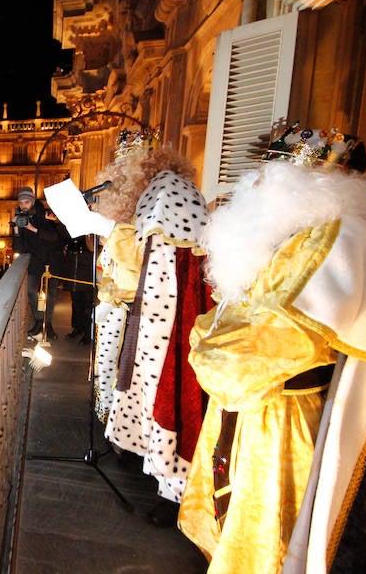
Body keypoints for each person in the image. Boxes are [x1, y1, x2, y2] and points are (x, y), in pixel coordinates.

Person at [177, 160, 366, 574]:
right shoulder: (292, 233)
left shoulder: (337, 237)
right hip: (256, 408)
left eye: (267, 172)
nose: (252, 182)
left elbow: (249, 355)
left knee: (268, 541)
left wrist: (206, 350)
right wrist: (211, 342)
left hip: (282, 420)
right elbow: (223, 320)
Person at [45, 139, 213, 527]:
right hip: (152, 313)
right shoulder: (161, 193)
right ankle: (141, 459)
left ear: (137, 173)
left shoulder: (168, 191)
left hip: (167, 320)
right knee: (143, 391)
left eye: (119, 176)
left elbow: (149, 256)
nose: (113, 184)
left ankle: (173, 493)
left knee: (165, 398)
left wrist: (99, 226)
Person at [11, 185, 62, 339]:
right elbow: (18, 248)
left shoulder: (46, 214)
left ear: (32, 201)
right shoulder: (21, 218)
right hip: (35, 261)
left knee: (50, 294)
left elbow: (55, 238)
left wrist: (33, 229)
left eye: (26, 202)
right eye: (21, 203)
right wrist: (16, 229)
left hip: (52, 260)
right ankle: (39, 321)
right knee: (32, 291)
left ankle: (49, 325)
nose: (23, 206)